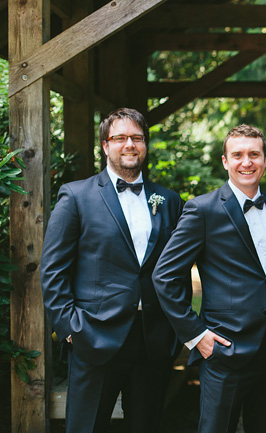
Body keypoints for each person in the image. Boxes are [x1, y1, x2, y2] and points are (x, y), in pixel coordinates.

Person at [40, 108, 187, 433]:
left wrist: (175, 331)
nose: (129, 144)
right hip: (93, 336)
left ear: (145, 144)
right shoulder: (76, 196)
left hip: (152, 340)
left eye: (136, 137)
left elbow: (177, 269)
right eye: (120, 138)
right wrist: (69, 328)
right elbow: (53, 271)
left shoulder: (168, 200)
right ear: (106, 145)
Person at [153, 124, 266, 433]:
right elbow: (165, 275)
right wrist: (195, 335)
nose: (246, 162)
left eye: (254, 155)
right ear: (224, 161)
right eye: (238, 155)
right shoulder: (203, 210)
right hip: (224, 351)